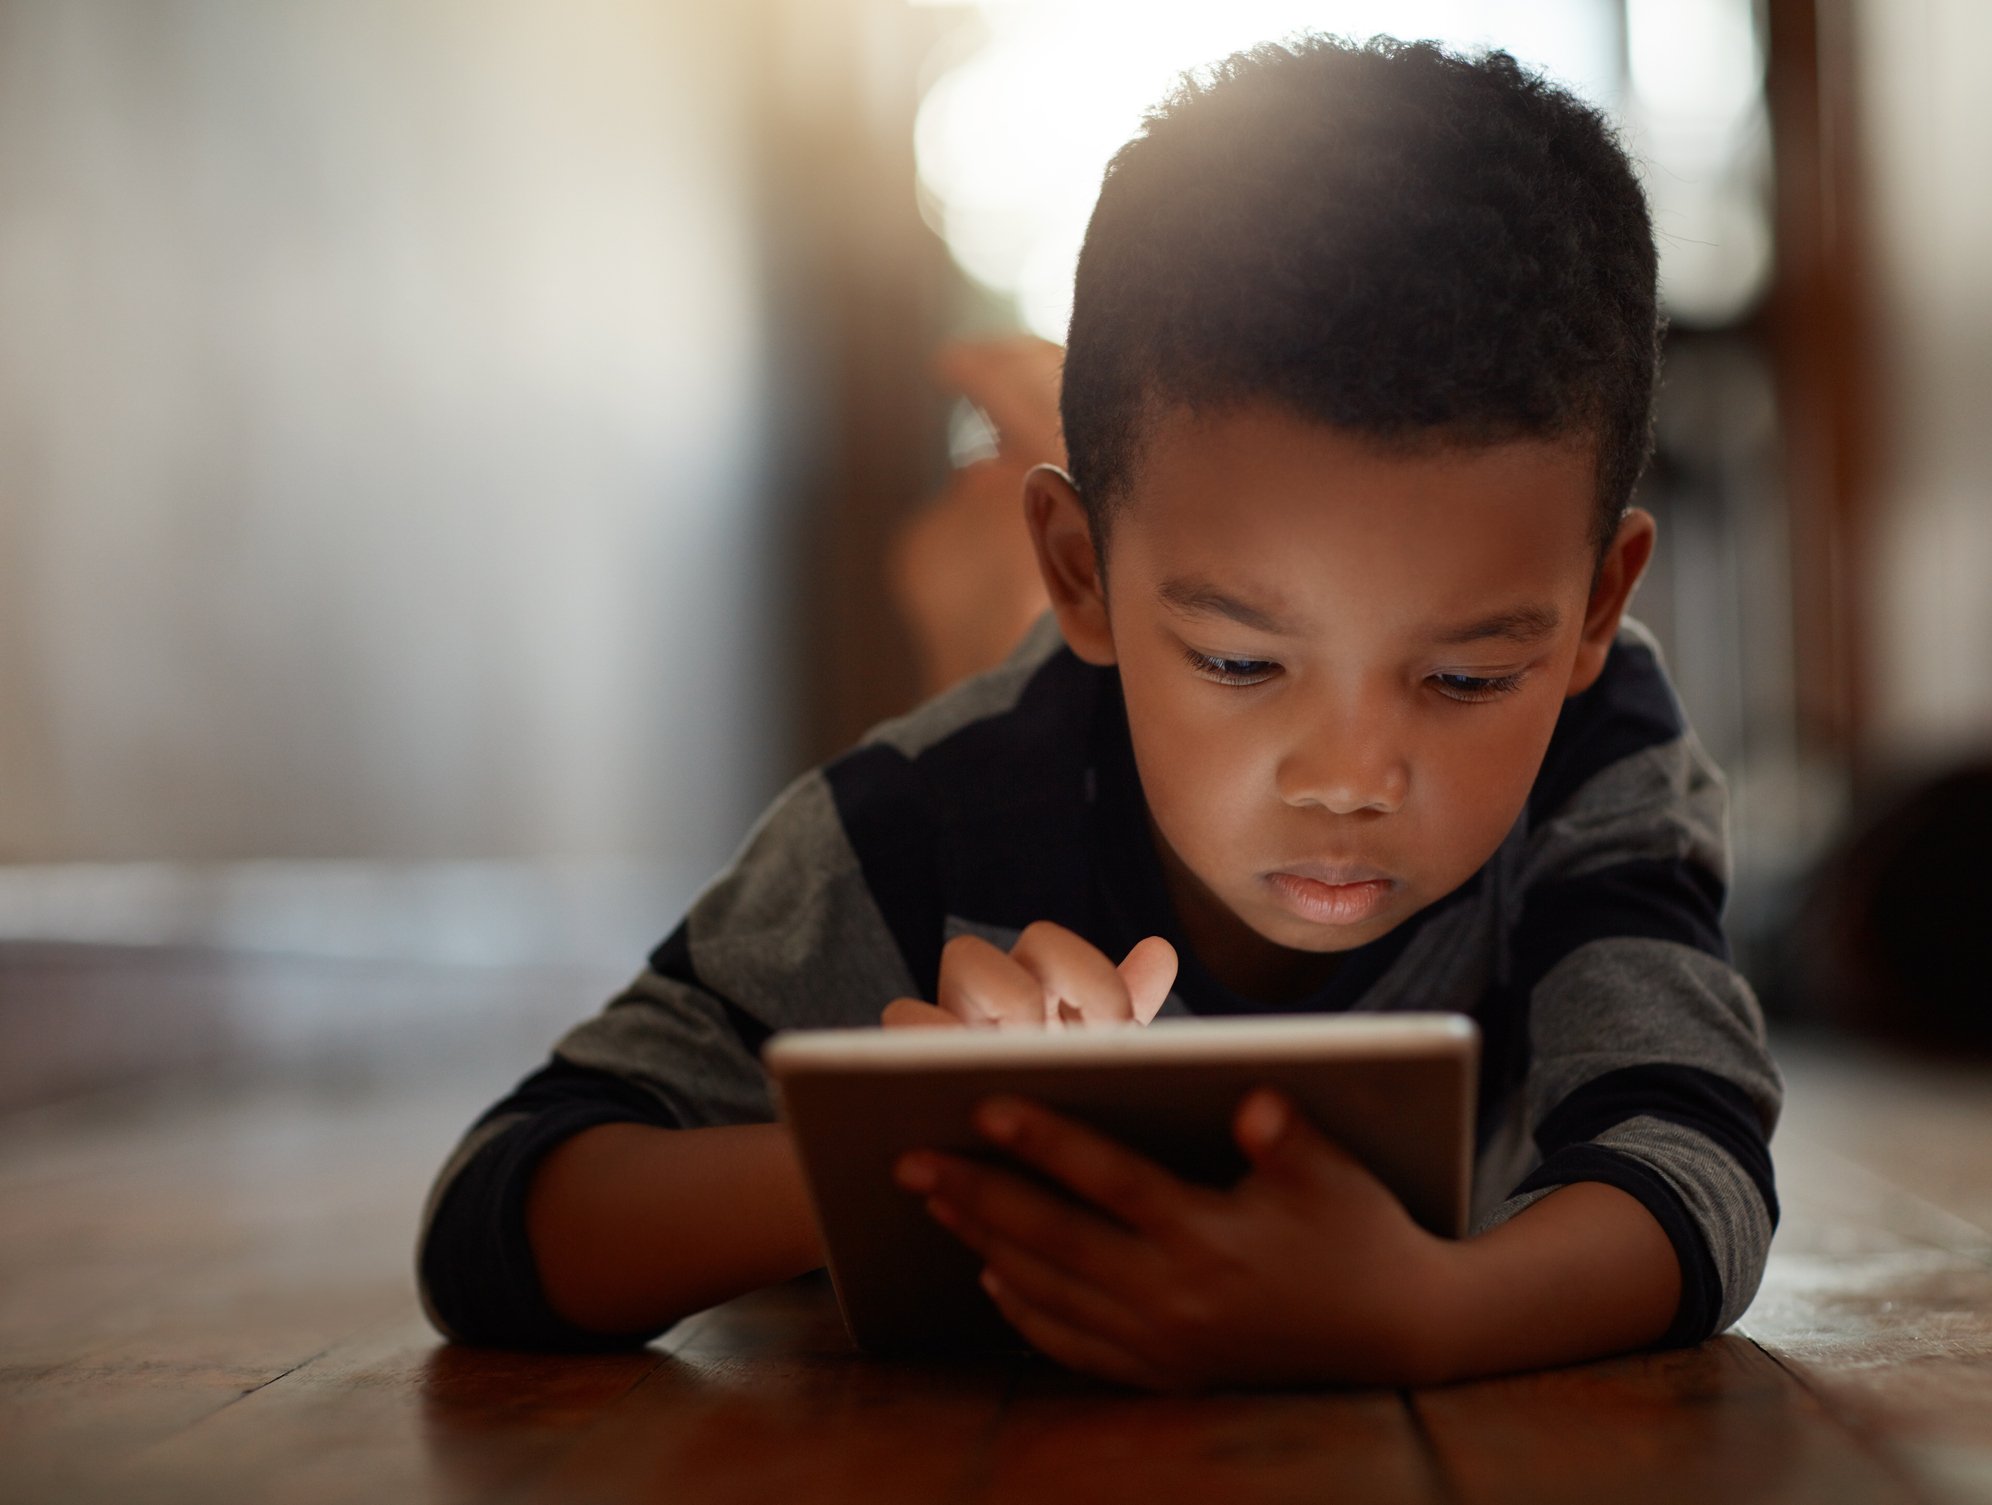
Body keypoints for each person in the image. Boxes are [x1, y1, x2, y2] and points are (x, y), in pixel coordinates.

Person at [418, 36, 1780, 1392]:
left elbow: (1690, 1153)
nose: (1351, 778)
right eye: (1243, 663)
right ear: (1081, 568)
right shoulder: (919, 826)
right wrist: (916, 1138)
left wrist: (1429, 1313)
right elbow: (498, 1214)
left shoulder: (1602, 754)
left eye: (1468, 679)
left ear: (1599, 606)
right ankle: (978, 609)